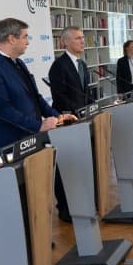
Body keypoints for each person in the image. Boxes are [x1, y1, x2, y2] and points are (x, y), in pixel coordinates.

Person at [0, 18, 74, 159]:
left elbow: (36, 98)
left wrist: (59, 117)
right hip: (9, 147)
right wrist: (38, 126)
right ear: (11, 39)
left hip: (30, 142)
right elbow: (4, 110)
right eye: (25, 37)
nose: (27, 42)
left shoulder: (19, 63)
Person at [48, 26, 92, 222]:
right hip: (67, 124)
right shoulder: (59, 66)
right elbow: (60, 97)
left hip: (83, 121)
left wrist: (90, 111)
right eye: (77, 38)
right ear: (65, 42)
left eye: (83, 38)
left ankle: (82, 201)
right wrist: (78, 113)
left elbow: (86, 93)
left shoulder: (82, 64)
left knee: (80, 164)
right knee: (65, 165)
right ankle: (65, 208)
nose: (83, 41)